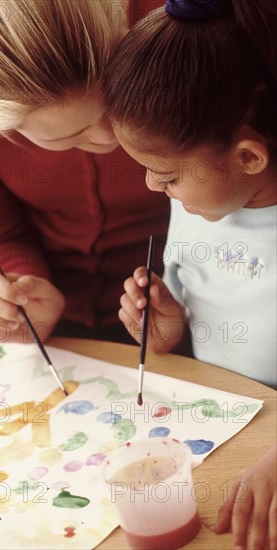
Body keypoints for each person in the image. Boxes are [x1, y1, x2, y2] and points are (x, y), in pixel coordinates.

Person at [103, 0, 277, 548]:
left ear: (248, 158)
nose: (154, 189)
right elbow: (202, 336)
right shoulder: (202, 200)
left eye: (166, 174)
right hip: (221, 434)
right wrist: (168, 332)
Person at [0, 0, 169, 345]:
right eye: (69, 135)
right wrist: (20, 293)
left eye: (116, 99)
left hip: (199, 305)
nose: (110, 137)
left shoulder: (178, 16)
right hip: (60, 334)